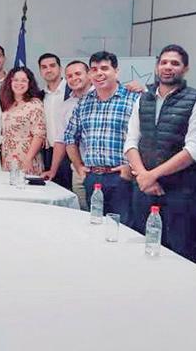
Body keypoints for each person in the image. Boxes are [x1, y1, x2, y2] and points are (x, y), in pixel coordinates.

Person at [125, 44, 196, 261]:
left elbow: (193, 150)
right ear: (157, 67)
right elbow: (131, 142)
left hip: (180, 193)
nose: (168, 67)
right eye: (163, 62)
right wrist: (144, 176)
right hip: (144, 190)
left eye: (175, 63)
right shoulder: (143, 99)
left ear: (185, 69)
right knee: (140, 250)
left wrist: (152, 175)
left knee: (178, 254)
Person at [64, 51, 139, 224]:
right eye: (94, 69)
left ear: (116, 71)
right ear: (90, 74)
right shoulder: (84, 102)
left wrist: (131, 167)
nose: (99, 73)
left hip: (122, 177)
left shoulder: (134, 98)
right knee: (95, 227)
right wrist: (79, 167)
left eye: (105, 68)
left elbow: (145, 138)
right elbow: (69, 137)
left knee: (123, 229)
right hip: (93, 178)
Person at [43, 60, 93, 210]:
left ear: (89, 75)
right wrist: (53, 170)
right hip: (78, 170)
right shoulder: (66, 106)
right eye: (69, 76)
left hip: (106, 171)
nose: (74, 78)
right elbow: (61, 140)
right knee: (83, 212)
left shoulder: (101, 97)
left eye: (78, 74)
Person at [0, 67, 46, 174]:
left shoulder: (35, 104)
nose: (19, 83)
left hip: (27, 159)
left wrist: (28, 159)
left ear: (29, 83)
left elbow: (39, 135)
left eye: (24, 80)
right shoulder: (7, 104)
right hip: (8, 158)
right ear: (10, 82)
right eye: (15, 80)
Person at [37, 53, 72, 189]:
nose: (48, 70)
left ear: (60, 68)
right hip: (49, 153)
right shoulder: (40, 95)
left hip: (70, 153)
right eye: (44, 67)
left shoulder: (72, 90)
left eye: (52, 66)